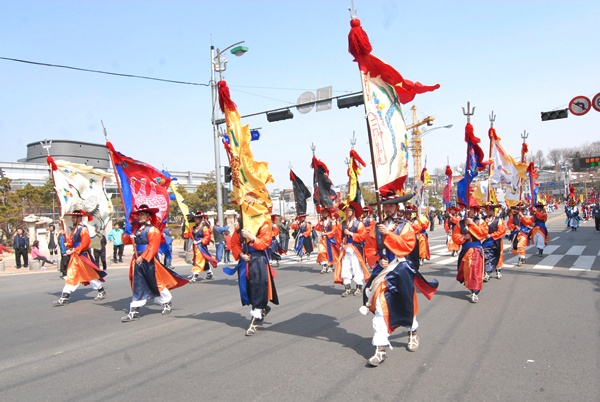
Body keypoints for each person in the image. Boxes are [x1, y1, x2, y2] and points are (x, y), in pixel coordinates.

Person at [362, 194, 438, 367]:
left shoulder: (405, 227)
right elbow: (370, 248)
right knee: (381, 308)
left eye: (391, 206)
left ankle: (413, 332)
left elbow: (406, 247)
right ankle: (380, 349)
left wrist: (388, 234)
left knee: (406, 305)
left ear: (397, 208)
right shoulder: (376, 227)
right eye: (385, 206)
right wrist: (377, 259)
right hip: (383, 272)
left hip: (400, 269)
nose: (388, 209)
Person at [121, 204, 188, 322]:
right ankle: (134, 310)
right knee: (138, 283)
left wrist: (143, 257)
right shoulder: (136, 229)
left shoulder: (153, 230)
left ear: (148, 216)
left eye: (142, 214)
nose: (139, 216)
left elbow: (153, 246)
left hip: (149, 259)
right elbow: (127, 241)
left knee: (156, 282)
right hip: (137, 258)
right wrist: (127, 234)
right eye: (139, 214)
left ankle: (166, 301)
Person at [230, 217, 279, 336]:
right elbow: (234, 243)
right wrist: (241, 254)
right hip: (245, 261)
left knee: (259, 287)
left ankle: (255, 318)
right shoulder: (240, 226)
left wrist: (251, 237)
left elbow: (264, 243)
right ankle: (261, 308)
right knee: (247, 288)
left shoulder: (264, 224)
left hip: (258, 260)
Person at [52, 210, 107, 306]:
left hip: (82, 254)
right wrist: (65, 237)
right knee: (72, 275)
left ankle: (100, 290)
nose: (73, 219)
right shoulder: (75, 229)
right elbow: (71, 242)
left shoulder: (83, 229)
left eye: (74, 217)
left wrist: (74, 250)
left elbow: (85, 243)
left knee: (88, 274)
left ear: (79, 218)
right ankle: (65, 296)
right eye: (72, 217)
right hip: (76, 255)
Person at [452, 204, 488, 303]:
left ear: (474, 210)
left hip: (476, 249)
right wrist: (463, 237)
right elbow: (455, 236)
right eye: (466, 209)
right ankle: (471, 286)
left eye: (470, 210)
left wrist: (472, 225)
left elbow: (483, 233)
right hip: (465, 250)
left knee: (475, 271)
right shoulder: (461, 223)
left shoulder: (480, 222)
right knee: (467, 270)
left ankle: (474, 291)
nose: (468, 212)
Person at [334, 202, 370, 297]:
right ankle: (347, 288)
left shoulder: (359, 224)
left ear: (353, 212)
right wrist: (341, 244)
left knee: (356, 267)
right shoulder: (342, 224)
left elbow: (363, 236)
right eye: (346, 211)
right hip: (346, 249)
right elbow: (338, 236)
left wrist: (351, 233)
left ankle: (359, 287)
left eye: (349, 210)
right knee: (345, 267)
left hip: (355, 248)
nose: (347, 212)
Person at [185, 210, 218, 282]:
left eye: (197, 219)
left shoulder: (204, 228)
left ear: (200, 219)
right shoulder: (193, 228)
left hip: (201, 246)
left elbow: (207, 237)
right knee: (204, 260)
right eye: (195, 219)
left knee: (198, 260)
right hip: (195, 246)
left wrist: (199, 241)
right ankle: (209, 273)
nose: (195, 220)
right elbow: (190, 235)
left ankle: (195, 275)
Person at [481, 203, 507, 281]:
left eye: (490, 210)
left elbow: (502, 231)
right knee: (486, 256)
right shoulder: (482, 220)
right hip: (486, 242)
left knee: (497, 256)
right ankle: (487, 273)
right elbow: (478, 229)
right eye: (487, 210)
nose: (488, 212)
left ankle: (497, 270)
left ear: (493, 211)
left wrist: (491, 235)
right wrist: (484, 224)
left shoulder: (498, 220)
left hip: (496, 241)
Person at [315, 208, 340, 274]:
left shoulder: (332, 222)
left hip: (329, 239)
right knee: (321, 252)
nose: (324, 214)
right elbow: (317, 228)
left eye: (325, 213)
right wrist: (319, 225)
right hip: (323, 240)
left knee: (330, 253)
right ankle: (324, 265)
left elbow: (334, 231)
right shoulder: (321, 221)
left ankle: (330, 266)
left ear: (328, 214)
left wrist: (326, 233)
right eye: (323, 213)